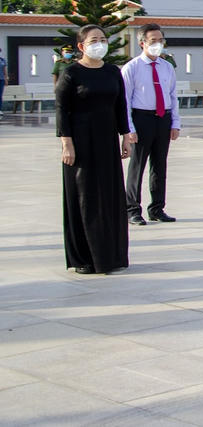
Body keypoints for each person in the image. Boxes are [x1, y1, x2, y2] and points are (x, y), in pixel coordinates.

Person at [55, 24, 133, 274]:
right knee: (85, 197)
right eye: (93, 40)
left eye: (102, 38)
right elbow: (61, 110)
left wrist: (125, 136)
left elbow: (120, 106)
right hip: (80, 143)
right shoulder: (71, 73)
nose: (99, 43)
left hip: (106, 141)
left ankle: (111, 255)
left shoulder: (112, 72)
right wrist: (66, 143)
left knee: (109, 196)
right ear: (81, 46)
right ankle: (85, 258)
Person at [121, 23, 180, 226]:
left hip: (162, 118)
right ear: (142, 43)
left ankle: (157, 208)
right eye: (153, 41)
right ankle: (132, 209)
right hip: (141, 118)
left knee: (159, 165)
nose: (157, 44)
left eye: (160, 40)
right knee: (137, 166)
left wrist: (175, 123)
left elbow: (173, 95)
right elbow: (125, 100)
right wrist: (129, 129)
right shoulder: (132, 68)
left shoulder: (167, 67)